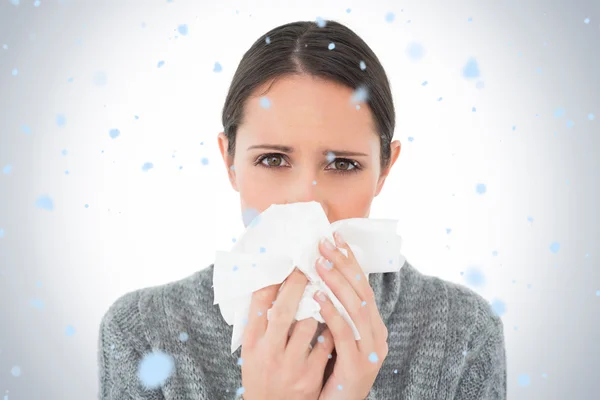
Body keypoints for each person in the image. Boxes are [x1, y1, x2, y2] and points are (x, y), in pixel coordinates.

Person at [98, 19, 506, 400]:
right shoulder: (143, 332)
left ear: (385, 170)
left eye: (343, 164)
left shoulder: (462, 332)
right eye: (273, 160)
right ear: (230, 162)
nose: (306, 201)